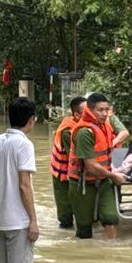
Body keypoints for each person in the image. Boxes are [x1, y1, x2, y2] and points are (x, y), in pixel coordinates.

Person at [0, 97, 39, 263]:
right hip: (17, 222)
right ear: (31, 120)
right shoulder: (24, 144)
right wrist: (33, 220)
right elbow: (24, 185)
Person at [68, 93, 127, 239]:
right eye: (100, 110)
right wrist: (114, 176)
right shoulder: (84, 132)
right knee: (84, 231)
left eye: (107, 109)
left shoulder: (105, 126)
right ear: (89, 110)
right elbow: (91, 167)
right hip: (82, 184)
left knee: (111, 218)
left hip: (104, 180)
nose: (105, 113)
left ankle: (110, 250)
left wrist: (111, 175)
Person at [50, 96, 86, 229]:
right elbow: (76, 155)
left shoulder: (82, 126)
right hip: (61, 172)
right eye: (86, 112)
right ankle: (65, 228)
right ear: (76, 115)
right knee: (65, 207)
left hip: (74, 170)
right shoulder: (67, 131)